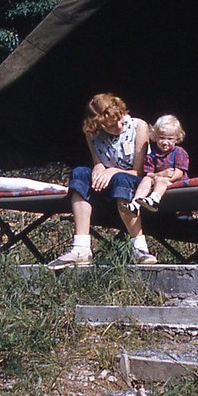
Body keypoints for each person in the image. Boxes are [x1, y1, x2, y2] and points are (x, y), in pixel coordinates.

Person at [47, 93, 157, 269]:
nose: (118, 126)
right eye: (111, 126)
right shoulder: (92, 135)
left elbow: (139, 171)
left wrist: (112, 171)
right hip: (107, 182)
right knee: (80, 173)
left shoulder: (138, 126)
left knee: (121, 178)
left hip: (133, 181)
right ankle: (81, 247)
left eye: (120, 120)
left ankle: (140, 249)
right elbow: (98, 164)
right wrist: (98, 169)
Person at [129, 114, 189, 212]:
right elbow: (149, 173)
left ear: (177, 139)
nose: (165, 142)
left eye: (170, 139)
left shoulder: (179, 152)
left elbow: (179, 173)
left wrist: (163, 178)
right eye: (162, 138)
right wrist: (160, 174)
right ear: (156, 137)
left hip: (176, 183)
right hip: (157, 182)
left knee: (161, 181)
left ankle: (154, 200)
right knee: (146, 179)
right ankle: (135, 203)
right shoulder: (152, 156)